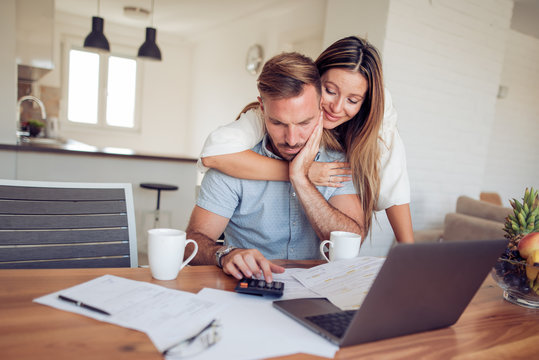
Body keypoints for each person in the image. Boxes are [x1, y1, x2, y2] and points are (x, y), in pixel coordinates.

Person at [199, 36, 413, 243]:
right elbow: (214, 155)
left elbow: (394, 185)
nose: (337, 108)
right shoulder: (263, 117)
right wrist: (302, 171)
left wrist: (410, 254)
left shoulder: (370, 128)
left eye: (352, 100)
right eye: (330, 91)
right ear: (315, 83)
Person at [185, 52, 363, 282]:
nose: (291, 139)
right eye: (277, 123)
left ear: (321, 108)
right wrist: (225, 254)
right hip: (249, 291)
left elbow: (352, 239)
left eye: (304, 123)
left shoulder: (337, 161)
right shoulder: (233, 165)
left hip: (318, 290)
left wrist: (301, 178)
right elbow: (191, 243)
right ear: (262, 107)